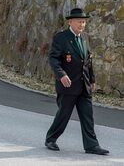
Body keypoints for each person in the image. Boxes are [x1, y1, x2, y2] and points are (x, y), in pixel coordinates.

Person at [45, 8, 109, 155]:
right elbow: (53, 58)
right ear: (71, 21)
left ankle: (92, 145)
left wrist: (92, 79)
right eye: (80, 21)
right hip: (68, 85)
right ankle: (51, 139)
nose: (82, 24)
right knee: (64, 115)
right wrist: (61, 74)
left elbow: (88, 61)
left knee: (88, 116)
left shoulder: (85, 38)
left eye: (84, 22)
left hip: (84, 85)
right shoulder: (61, 38)